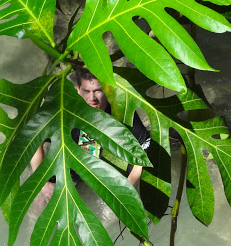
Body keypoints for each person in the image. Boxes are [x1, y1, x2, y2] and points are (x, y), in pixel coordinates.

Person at [30, 68, 150, 197]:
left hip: (104, 164)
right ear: (78, 89)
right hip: (71, 167)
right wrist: (44, 185)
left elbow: (142, 151)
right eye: (86, 91)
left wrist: (124, 194)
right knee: (41, 203)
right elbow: (35, 142)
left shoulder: (120, 111)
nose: (92, 98)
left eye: (98, 91)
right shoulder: (64, 110)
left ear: (107, 89)